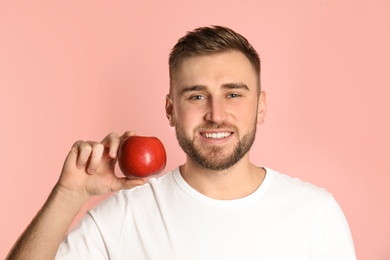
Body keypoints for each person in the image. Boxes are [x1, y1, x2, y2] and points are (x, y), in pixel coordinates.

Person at [7, 25, 356, 260]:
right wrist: (68, 195)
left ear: (261, 106)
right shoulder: (126, 214)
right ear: (171, 110)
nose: (216, 114)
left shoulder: (316, 214)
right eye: (196, 96)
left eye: (233, 93)